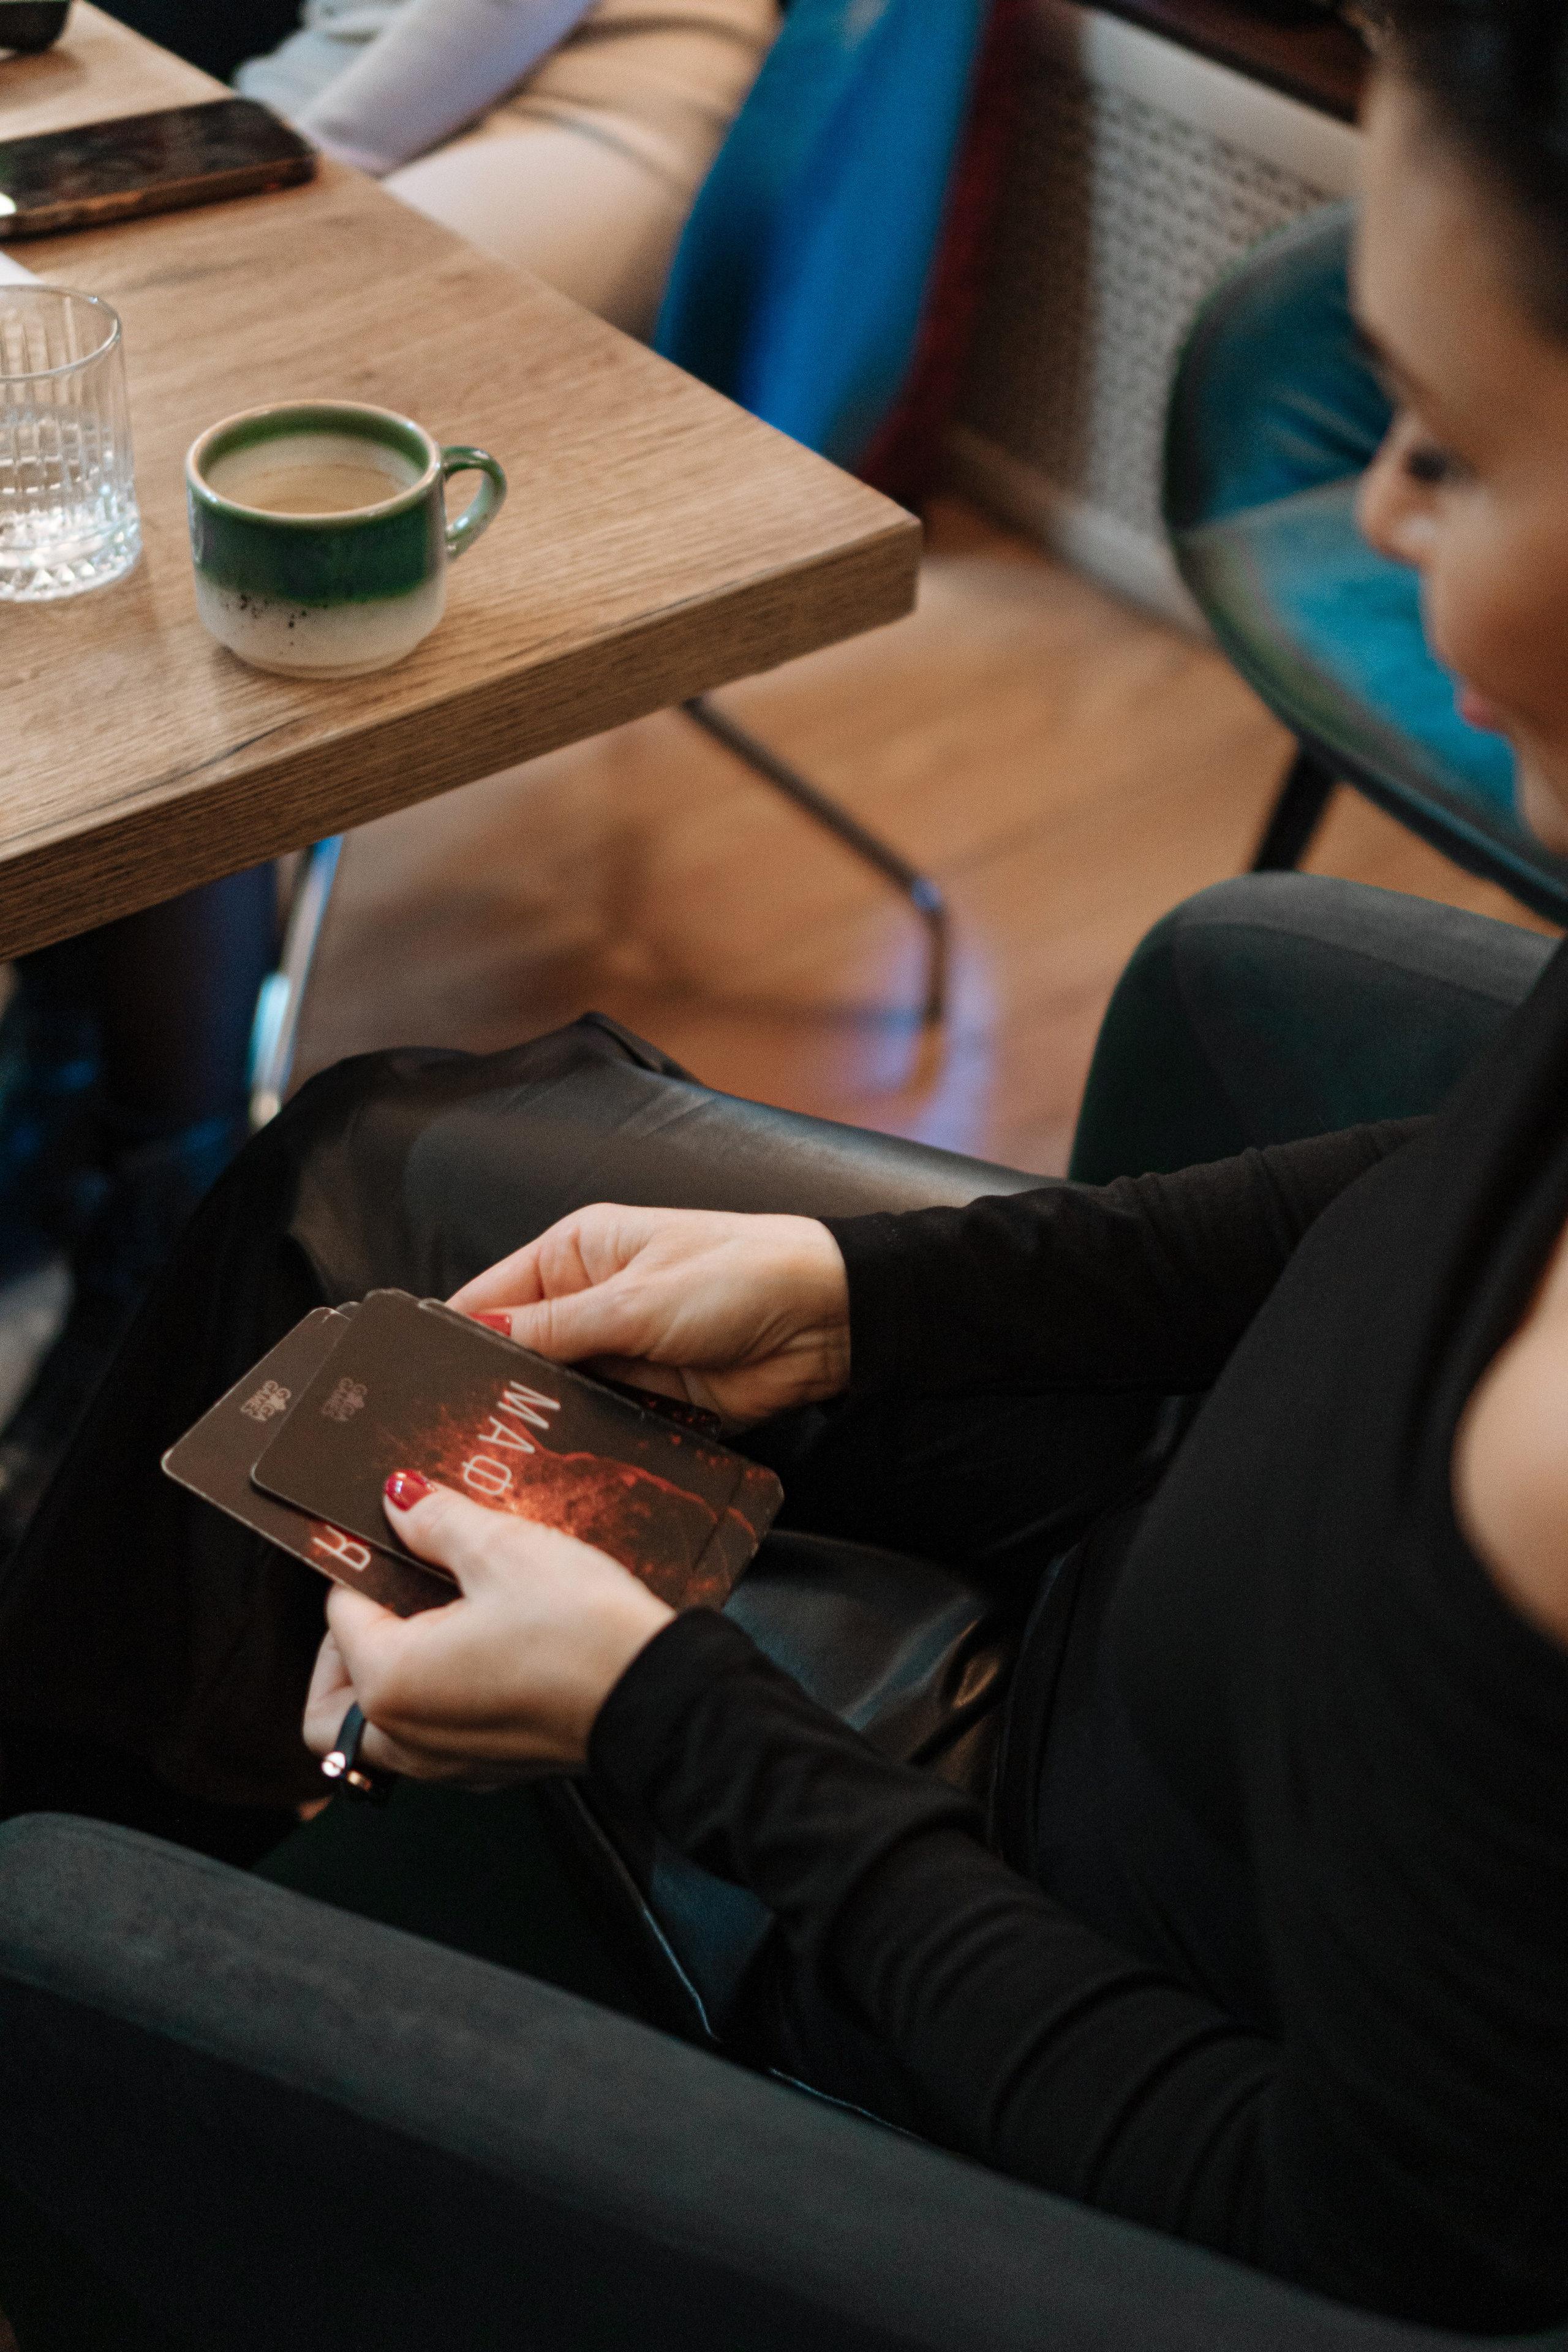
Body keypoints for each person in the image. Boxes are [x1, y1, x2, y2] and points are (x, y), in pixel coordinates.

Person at [0, 0, 1567, 2335]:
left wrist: (659, 1718)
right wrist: (857, 1295)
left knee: (71, 1908)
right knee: (367, 1170)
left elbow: (1321, 2252)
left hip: (1013, 1973)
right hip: (1180, 1554)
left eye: (1438, 447)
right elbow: (1435, 1182)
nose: (1370, 513)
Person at [235, 0, 781, 338]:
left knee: (300, 324)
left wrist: (287, 165)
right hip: (427, 93)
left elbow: (504, 11)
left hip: (617, 93)